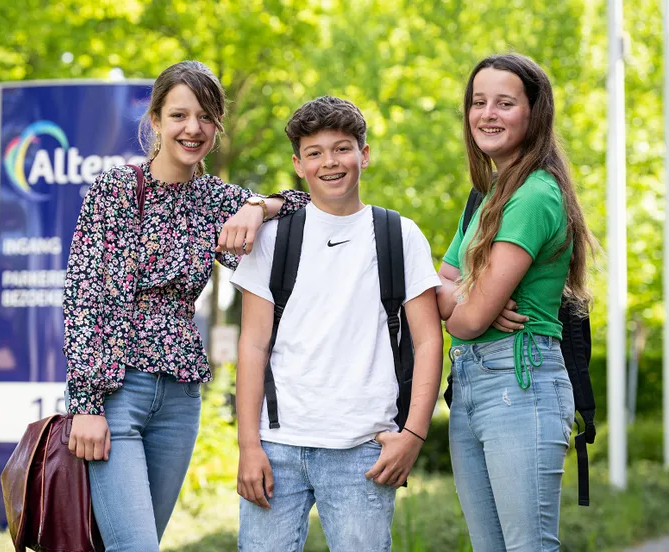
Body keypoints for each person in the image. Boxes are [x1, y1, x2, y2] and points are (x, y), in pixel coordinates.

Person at [62, 60, 309, 551]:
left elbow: (306, 205)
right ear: (155, 120)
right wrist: (85, 404)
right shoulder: (115, 190)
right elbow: (83, 295)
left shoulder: (218, 199)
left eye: (205, 116)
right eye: (178, 115)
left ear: (217, 125)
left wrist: (258, 206)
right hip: (115, 394)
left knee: (141, 541)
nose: (192, 128)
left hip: (180, 397)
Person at [231, 96, 444, 551]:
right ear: (298, 165)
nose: (330, 162)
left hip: (365, 448)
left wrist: (413, 435)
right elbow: (252, 345)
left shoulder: (399, 235)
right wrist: (249, 446)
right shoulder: (272, 239)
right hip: (277, 448)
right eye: (315, 152)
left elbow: (428, 341)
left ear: (364, 155)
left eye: (342, 148)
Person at [437, 53, 596, 551]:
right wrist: (466, 292)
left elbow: (467, 320)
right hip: (470, 384)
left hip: (518, 382)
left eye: (505, 103)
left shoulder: (534, 196)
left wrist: (467, 298)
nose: (488, 114)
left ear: (534, 113)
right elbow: (441, 281)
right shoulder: (484, 196)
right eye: (478, 102)